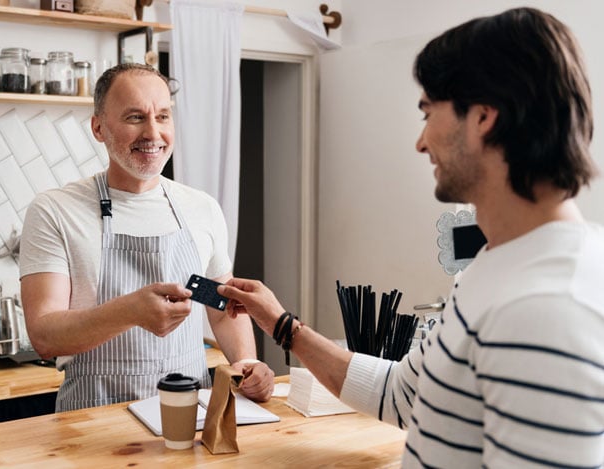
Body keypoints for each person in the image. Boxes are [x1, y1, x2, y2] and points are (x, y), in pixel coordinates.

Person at [217, 7, 604, 468]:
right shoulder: (493, 270)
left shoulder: (547, 308)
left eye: (428, 113)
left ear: (484, 117)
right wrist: (284, 326)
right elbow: (402, 394)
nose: (421, 142)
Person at [19, 63, 274, 412]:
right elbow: (44, 335)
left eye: (164, 116)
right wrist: (129, 311)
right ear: (98, 127)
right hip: (92, 424)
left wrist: (246, 362)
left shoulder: (201, 208)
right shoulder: (55, 210)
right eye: (135, 117)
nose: (153, 133)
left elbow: (222, 309)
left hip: (188, 418)